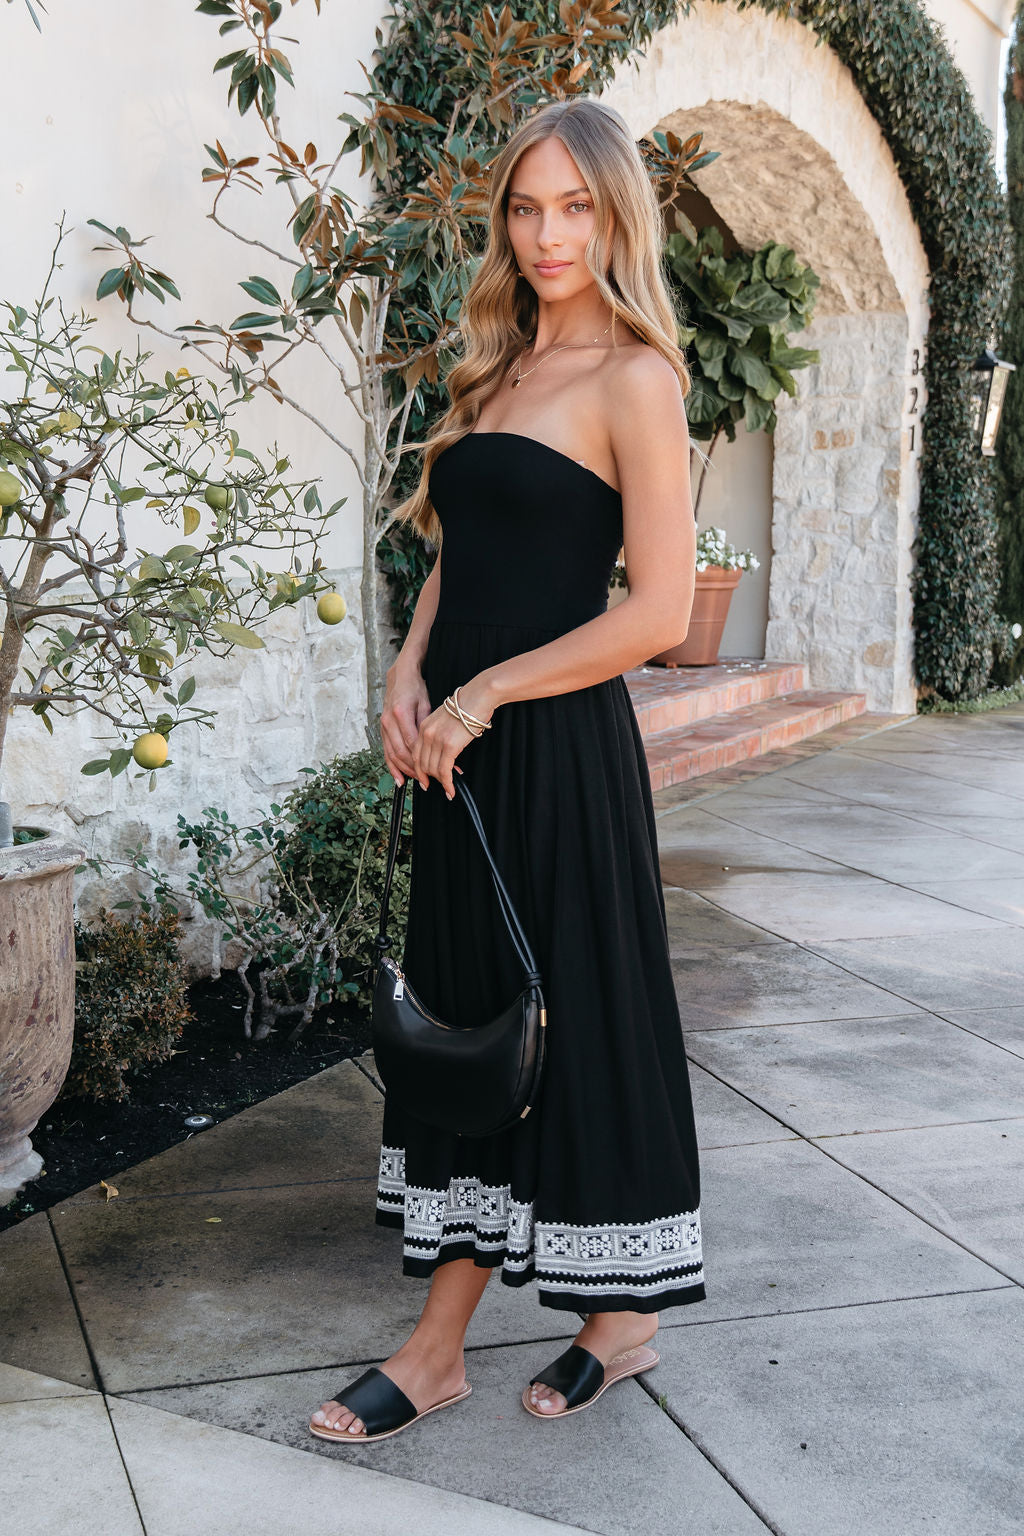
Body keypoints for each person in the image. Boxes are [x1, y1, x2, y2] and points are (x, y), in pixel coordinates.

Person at [309, 95, 704, 1443]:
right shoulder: (491, 375)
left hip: (555, 748)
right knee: (468, 1027)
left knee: (573, 1020)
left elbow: (656, 612)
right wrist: (410, 673)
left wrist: (482, 691)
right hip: (457, 754)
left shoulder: (636, 381)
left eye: (575, 207)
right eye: (526, 208)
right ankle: (450, 1344)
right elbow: (452, 565)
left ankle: (609, 1321)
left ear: (617, 215)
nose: (547, 235)